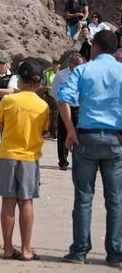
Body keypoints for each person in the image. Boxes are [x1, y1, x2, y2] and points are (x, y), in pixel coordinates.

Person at [57, 30, 122, 266]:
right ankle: (116, 253)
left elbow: (64, 98)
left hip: (86, 136)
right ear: (115, 49)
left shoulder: (84, 69)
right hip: (114, 139)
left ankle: (80, 250)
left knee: (84, 197)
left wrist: (70, 131)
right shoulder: (120, 70)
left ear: (94, 47)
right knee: (115, 200)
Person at [0, 60, 48, 261]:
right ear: (38, 81)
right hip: (29, 157)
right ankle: (26, 249)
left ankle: (8, 248)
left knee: (8, 202)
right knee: (26, 202)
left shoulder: (9, 101)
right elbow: (43, 129)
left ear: (20, 80)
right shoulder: (42, 105)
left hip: (7, 154)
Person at [50, 52, 84, 170]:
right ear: (70, 63)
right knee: (63, 134)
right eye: (76, 64)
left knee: (80, 136)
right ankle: (63, 161)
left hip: (79, 108)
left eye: (81, 64)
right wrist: (61, 102)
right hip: (66, 107)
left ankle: (78, 161)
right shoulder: (61, 75)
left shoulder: (84, 74)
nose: (79, 66)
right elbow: (54, 91)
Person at [41, 59, 60, 139]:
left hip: (57, 98)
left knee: (56, 116)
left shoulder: (61, 74)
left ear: (59, 65)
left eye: (56, 64)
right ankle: (47, 132)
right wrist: (48, 88)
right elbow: (42, 85)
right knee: (48, 115)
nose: (55, 66)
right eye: (53, 64)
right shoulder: (48, 74)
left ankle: (54, 134)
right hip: (48, 97)